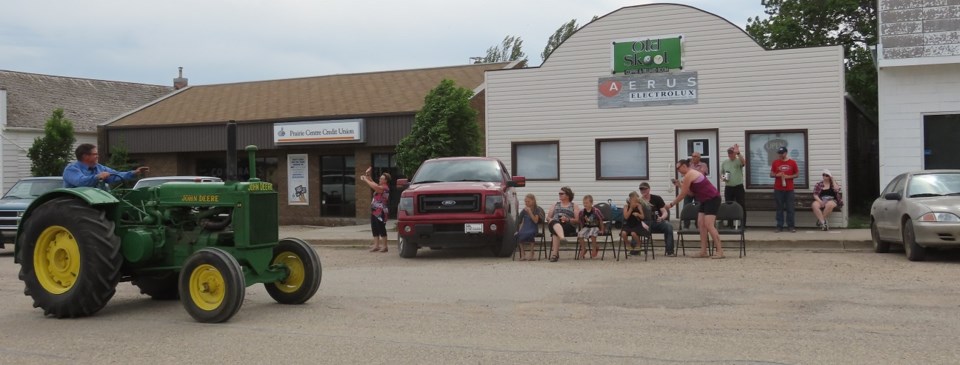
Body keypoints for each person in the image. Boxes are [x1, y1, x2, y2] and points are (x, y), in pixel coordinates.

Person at [666, 159, 724, 259]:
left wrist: (671, 204)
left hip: (712, 198)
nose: (677, 170)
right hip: (704, 200)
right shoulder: (687, 177)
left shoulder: (690, 174)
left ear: (684, 166)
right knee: (701, 224)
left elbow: (683, 194)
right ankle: (703, 251)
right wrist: (680, 185)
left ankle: (720, 251)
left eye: (678, 168)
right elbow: (691, 194)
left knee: (709, 225)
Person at [63, 143, 149, 188]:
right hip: (77, 202)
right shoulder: (71, 169)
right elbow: (81, 182)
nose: (98, 156)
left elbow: (116, 175)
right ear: (85, 156)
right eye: (95, 154)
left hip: (97, 200)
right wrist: (98, 177)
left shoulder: (99, 167)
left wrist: (134, 172)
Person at [639, 182, 675, 257]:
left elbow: (664, 212)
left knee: (668, 226)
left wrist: (661, 218)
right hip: (644, 222)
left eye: (645, 189)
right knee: (635, 225)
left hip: (656, 221)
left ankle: (670, 251)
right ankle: (635, 250)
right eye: (641, 189)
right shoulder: (638, 201)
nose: (643, 191)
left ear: (649, 189)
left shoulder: (657, 198)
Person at [360, 167, 391, 253]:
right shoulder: (380, 186)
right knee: (374, 228)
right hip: (375, 210)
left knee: (381, 228)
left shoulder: (384, 188)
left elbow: (373, 185)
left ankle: (385, 246)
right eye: (380, 178)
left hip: (381, 211)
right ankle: (376, 245)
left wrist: (366, 180)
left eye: (382, 178)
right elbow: (373, 182)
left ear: (386, 181)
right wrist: (367, 175)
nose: (380, 179)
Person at [770, 146, 799, 233]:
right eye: (779, 153)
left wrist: (788, 177)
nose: (780, 154)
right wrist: (776, 175)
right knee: (779, 208)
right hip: (778, 189)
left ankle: (791, 226)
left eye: (781, 153)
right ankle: (779, 226)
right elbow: (771, 174)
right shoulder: (775, 162)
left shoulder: (792, 162)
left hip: (789, 189)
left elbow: (797, 174)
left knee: (790, 208)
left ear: (786, 153)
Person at [547, 186, 578, 262]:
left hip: (568, 225)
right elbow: (547, 217)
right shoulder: (555, 204)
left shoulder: (574, 205)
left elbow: (577, 220)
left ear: (568, 195)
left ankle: (554, 255)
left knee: (555, 232)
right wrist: (550, 219)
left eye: (561, 193)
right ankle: (562, 238)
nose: (559, 195)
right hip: (554, 223)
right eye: (559, 193)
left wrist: (568, 219)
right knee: (554, 222)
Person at [720, 144, 747, 227]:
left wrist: (738, 153)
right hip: (729, 187)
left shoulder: (738, 160)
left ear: (734, 154)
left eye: (732, 153)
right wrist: (723, 178)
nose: (730, 155)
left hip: (738, 186)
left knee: (741, 205)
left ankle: (743, 224)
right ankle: (730, 224)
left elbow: (744, 162)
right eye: (729, 153)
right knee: (728, 205)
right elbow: (721, 174)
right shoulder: (725, 162)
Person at [516, 194, 544, 261]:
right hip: (525, 227)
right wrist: (519, 230)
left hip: (533, 228)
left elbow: (535, 221)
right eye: (525, 201)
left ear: (533, 201)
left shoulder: (536, 210)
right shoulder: (524, 211)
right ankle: (523, 254)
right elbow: (520, 222)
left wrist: (530, 212)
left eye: (528, 201)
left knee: (530, 233)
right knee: (519, 234)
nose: (526, 203)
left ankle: (532, 253)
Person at [620, 192, 650, 256]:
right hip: (628, 224)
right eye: (632, 200)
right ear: (630, 200)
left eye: (635, 200)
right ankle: (628, 244)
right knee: (623, 233)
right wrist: (631, 208)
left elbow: (643, 217)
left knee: (633, 233)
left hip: (637, 225)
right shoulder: (626, 206)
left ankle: (639, 243)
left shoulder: (639, 206)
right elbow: (626, 217)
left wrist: (638, 214)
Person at [577, 195, 604, 259]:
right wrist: (581, 229)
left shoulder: (595, 211)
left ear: (591, 203)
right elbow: (581, 221)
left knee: (592, 234)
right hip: (586, 226)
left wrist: (602, 229)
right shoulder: (582, 212)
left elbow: (601, 220)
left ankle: (594, 248)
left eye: (586, 203)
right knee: (580, 234)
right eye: (584, 203)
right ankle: (584, 249)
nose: (585, 204)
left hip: (595, 226)